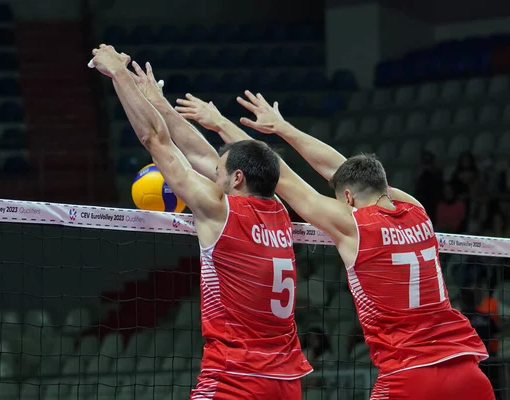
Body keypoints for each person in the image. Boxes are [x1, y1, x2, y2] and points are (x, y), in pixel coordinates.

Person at [175, 91, 494, 399]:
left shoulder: (355, 226)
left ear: (348, 198)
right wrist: (283, 128)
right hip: (469, 371)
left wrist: (221, 125)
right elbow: (340, 170)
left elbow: (282, 178)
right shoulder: (418, 212)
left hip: (410, 376)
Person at [89, 46, 311, 399]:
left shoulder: (220, 211)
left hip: (234, 378)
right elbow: (200, 154)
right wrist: (160, 104)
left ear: (237, 178)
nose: (212, 173)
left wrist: (118, 74)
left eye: (219, 172)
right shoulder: (280, 212)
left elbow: (155, 140)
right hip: (286, 382)